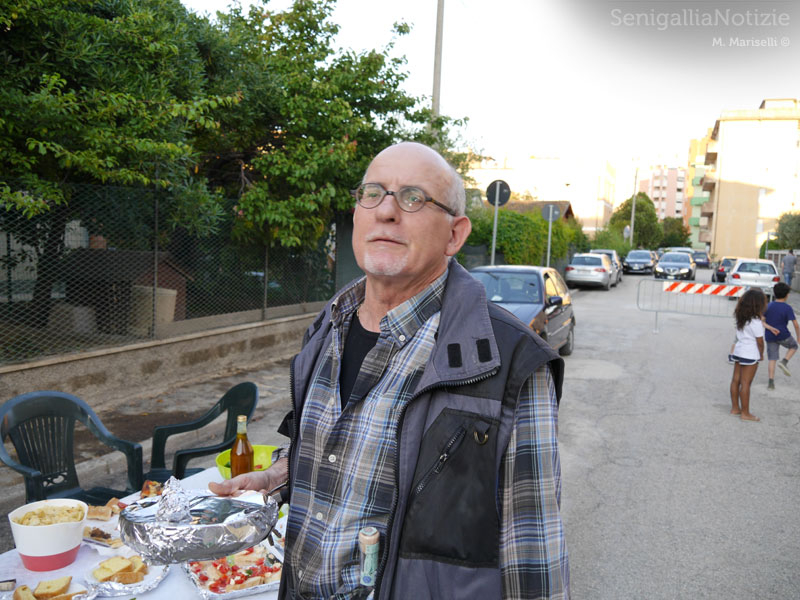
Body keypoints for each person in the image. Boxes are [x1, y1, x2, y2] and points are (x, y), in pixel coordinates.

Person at [209, 142, 569, 599]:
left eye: (413, 198)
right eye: (373, 193)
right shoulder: (328, 326)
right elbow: (333, 451)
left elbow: (534, 556)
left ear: (455, 235)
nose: (386, 212)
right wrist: (276, 479)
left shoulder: (510, 361)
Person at [728, 288, 767, 422]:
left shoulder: (741, 317)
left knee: (735, 380)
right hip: (750, 354)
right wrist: (761, 354)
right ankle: (745, 413)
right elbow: (760, 342)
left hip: (739, 351)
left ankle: (735, 408)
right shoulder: (756, 322)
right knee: (746, 384)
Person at [765, 282, 800, 390]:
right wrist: (798, 337)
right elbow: (795, 324)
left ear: (774, 294)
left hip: (770, 335)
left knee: (772, 358)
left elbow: (761, 320)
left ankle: (771, 383)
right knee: (794, 346)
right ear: (787, 295)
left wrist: (770, 328)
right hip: (783, 335)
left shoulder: (768, 305)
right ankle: (784, 362)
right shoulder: (787, 308)